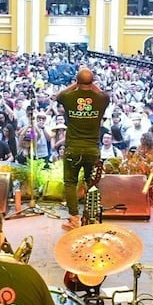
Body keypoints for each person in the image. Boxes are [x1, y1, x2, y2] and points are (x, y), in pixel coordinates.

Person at [56, 67, 109, 231]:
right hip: (92, 149)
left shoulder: (68, 96)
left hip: (73, 148)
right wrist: (90, 85)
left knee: (70, 183)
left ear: (77, 81)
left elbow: (58, 96)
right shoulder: (102, 99)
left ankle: (73, 219)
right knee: (92, 184)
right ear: (93, 82)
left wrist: (75, 85)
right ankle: (91, 216)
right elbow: (103, 94)